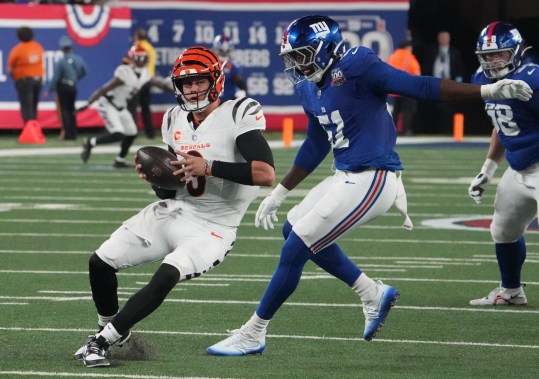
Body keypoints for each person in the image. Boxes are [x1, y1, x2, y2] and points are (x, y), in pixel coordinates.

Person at [205, 15, 533, 356]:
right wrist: (281, 191)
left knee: (296, 248)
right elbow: (317, 142)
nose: (297, 66)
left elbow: (419, 86)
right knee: (292, 232)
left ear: (326, 49)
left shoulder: (358, 65)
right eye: (292, 58)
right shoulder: (308, 86)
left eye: (302, 56)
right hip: (346, 174)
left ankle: (254, 332)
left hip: (375, 177)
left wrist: (487, 89)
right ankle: (372, 293)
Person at [73, 45, 275, 368]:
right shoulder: (173, 119)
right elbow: (170, 190)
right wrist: (155, 178)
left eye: (199, 81)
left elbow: (265, 174)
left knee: (166, 274)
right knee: (99, 263)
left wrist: (208, 167)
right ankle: (111, 329)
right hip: (176, 211)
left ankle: (102, 341)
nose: (192, 89)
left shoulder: (238, 114)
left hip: (214, 227)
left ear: (216, 81)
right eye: (186, 83)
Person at [468, 22, 538, 306]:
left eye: (500, 54)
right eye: (488, 56)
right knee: (503, 230)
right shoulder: (481, 80)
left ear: (517, 52)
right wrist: (488, 168)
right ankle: (510, 291)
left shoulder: (532, 79)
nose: (493, 61)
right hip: (518, 167)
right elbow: (501, 124)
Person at [79, 45, 153, 168]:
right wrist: (88, 104)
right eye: (140, 57)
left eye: (144, 57)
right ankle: (90, 142)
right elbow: (104, 89)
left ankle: (120, 160)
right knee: (118, 134)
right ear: (133, 58)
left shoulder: (145, 73)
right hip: (108, 104)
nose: (143, 60)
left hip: (121, 106)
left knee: (132, 132)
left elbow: (155, 83)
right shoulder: (124, 71)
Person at [419, 30, 466, 134]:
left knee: (448, 109)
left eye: (445, 37)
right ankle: (431, 131)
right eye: (441, 37)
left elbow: (460, 69)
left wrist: (458, 83)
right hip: (434, 84)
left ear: (449, 39)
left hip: (449, 84)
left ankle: (448, 131)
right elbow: (426, 66)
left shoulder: (455, 53)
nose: (443, 39)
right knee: (432, 109)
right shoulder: (432, 51)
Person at [43, 36, 88, 140]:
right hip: (73, 86)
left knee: (64, 111)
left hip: (63, 87)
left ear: (62, 48)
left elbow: (56, 77)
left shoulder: (62, 61)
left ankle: (67, 134)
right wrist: (76, 78)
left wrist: (49, 90)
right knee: (72, 109)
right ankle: (73, 133)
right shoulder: (78, 59)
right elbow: (85, 71)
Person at [7, 26, 44, 125]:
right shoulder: (38, 47)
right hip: (38, 79)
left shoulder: (18, 50)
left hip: (24, 81)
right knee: (34, 105)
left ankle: (29, 129)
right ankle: (35, 127)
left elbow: (10, 69)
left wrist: (15, 77)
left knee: (26, 106)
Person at [128, 28, 158, 139]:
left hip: (139, 78)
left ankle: (132, 132)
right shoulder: (150, 47)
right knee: (145, 107)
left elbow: (134, 62)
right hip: (149, 79)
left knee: (132, 106)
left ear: (137, 37)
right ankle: (150, 133)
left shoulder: (138, 47)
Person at [387, 40, 421, 136]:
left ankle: (391, 131)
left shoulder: (393, 56)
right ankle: (403, 131)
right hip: (407, 88)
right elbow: (417, 73)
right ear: (408, 47)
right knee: (407, 110)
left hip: (394, 88)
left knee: (397, 111)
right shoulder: (409, 57)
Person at [213, 34, 248, 101]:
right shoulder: (210, 63)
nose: (224, 53)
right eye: (221, 51)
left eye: (226, 51)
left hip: (229, 101)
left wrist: (241, 93)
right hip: (212, 101)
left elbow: (240, 82)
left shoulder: (234, 65)